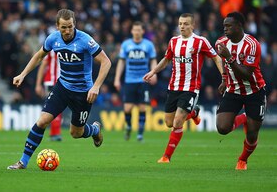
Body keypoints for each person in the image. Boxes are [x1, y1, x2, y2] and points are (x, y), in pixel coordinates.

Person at [7, 9, 111, 170]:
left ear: (74, 24)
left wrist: (96, 86)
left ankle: (95, 129)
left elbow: (106, 62)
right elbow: (39, 56)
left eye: (70, 26)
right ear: (57, 26)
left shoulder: (85, 40)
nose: (67, 30)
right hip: (62, 87)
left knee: (76, 133)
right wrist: (23, 74)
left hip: (83, 92)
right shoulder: (53, 39)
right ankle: (23, 162)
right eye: (64, 27)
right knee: (42, 121)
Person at [143, 13, 223, 163]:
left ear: (193, 25)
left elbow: (216, 58)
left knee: (178, 122)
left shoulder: (201, 42)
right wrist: (153, 71)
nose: (182, 26)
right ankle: (193, 113)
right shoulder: (173, 41)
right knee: (169, 122)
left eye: (185, 24)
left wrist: (224, 77)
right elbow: (166, 60)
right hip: (173, 87)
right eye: (180, 23)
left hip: (191, 88)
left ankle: (166, 156)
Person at [215, 12, 266, 170]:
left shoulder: (252, 44)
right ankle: (243, 118)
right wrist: (224, 79)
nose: (225, 29)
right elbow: (224, 63)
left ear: (239, 26)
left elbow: (246, 74)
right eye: (224, 26)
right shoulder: (221, 42)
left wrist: (230, 57)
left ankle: (242, 159)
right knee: (222, 128)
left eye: (229, 26)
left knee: (251, 134)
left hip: (254, 91)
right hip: (233, 91)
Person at [114, 21, 157, 141]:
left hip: (144, 80)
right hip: (129, 80)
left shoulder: (148, 45)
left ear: (142, 31)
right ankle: (128, 126)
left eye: (139, 30)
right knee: (127, 108)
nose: (137, 32)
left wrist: (154, 73)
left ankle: (140, 134)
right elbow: (121, 62)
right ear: (132, 31)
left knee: (142, 107)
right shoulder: (126, 44)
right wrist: (117, 79)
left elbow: (153, 60)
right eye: (135, 30)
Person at [35, 50, 62, 141]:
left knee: (57, 107)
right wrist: (38, 84)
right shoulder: (52, 48)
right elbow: (43, 64)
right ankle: (55, 133)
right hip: (52, 81)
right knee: (55, 106)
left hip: (62, 82)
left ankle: (55, 132)